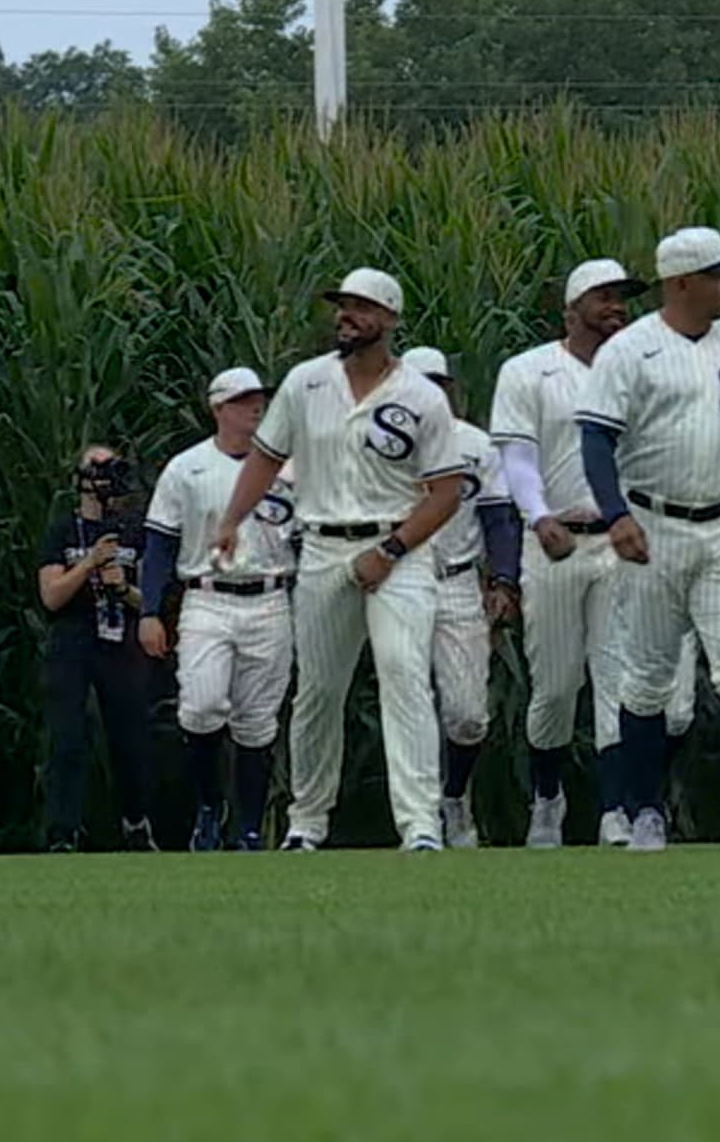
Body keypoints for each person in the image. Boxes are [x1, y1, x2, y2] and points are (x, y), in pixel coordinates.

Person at [212, 267, 468, 851]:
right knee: (320, 691)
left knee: (404, 678)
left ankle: (420, 823)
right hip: (325, 546)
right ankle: (307, 821)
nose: (345, 316)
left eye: (360, 307)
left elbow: (446, 493)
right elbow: (266, 459)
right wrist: (231, 521)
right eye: (342, 306)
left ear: (389, 319)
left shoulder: (421, 395)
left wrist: (390, 550)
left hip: (398, 549)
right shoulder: (305, 383)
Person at [576, 227, 720, 853]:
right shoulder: (631, 349)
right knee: (646, 677)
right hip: (653, 523)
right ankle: (644, 810)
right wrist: (615, 515)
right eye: (717, 275)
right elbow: (596, 438)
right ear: (681, 282)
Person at [491, 259, 699, 848]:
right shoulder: (529, 370)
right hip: (557, 542)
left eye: (624, 298)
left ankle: (617, 811)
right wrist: (538, 516)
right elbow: (518, 456)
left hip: (622, 542)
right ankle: (547, 798)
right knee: (555, 691)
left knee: (618, 679)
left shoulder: (641, 368)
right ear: (573, 306)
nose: (617, 306)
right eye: (604, 297)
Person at [139, 368, 296, 852]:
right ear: (219, 408)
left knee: (256, 722)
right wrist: (149, 610)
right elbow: (160, 542)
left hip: (270, 597)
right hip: (207, 596)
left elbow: (311, 538)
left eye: (260, 401)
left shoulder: (287, 469)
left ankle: (248, 827)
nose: (256, 409)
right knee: (202, 707)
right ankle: (210, 803)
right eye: (244, 401)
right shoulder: (188, 467)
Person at [404, 347, 526, 849]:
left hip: (457, 581)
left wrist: (503, 580)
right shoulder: (384, 446)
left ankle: (453, 796)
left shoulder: (475, 445)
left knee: (468, 714)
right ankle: (418, 817)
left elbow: (499, 519)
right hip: (401, 579)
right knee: (406, 702)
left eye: (439, 383)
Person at [36, 444, 158, 851]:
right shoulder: (62, 530)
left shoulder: (134, 531)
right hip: (72, 639)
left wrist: (122, 588)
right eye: (99, 466)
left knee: (130, 737)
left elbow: (150, 601)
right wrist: (88, 564)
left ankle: (136, 823)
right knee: (67, 737)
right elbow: (51, 595)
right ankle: (63, 832)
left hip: (120, 638)